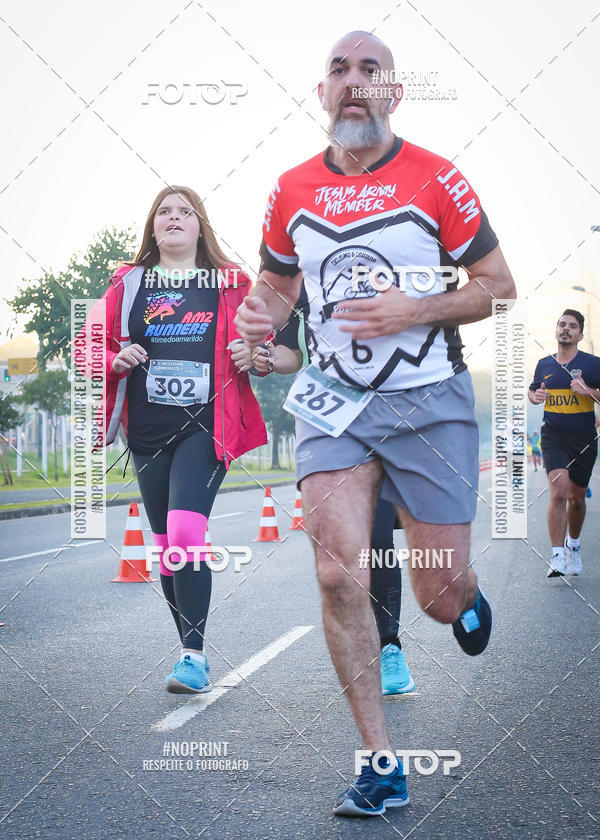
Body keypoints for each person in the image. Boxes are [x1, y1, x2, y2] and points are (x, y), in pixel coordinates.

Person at [234, 31, 515, 817]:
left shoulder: (437, 179)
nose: (353, 83)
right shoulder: (290, 189)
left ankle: (465, 596)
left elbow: (498, 285)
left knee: (434, 594)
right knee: (335, 573)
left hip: (430, 402)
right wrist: (261, 323)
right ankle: (381, 762)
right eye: (339, 71)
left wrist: (416, 307)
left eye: (370, 71)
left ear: (393, 92)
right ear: (321, 94)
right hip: (337, 406)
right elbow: (277, 295)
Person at [78, 185, 266, 693]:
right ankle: (188, 647)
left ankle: (194, 657)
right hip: (147, 430)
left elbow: (263, 343)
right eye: (165, 211)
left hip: (207, 425)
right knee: (165, 547)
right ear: (153, 226)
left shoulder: (229, 282)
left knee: (185, 535)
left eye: (185, 211)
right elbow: (87, 343)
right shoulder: (130, 284)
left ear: (200, 225)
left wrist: (259, 356)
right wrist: (112, 361)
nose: (175, 217)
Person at [231, 285, 415, 694]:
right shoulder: (301, 288)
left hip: (385, 415)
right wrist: (264, 358)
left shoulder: (379, 271)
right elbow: (290, 355)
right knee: (343, 543)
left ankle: (390, 647)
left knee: (378, 534)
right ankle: (371, 643)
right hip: (328, 422)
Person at [528, 309, 600, 577]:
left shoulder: (593, 364)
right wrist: (534, 396)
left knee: (577, 499)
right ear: (556, 330)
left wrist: (589, 391)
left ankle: (574, 545)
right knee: (558, 492)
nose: (566, 329)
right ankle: (557, 556)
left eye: (572, 326)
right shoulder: (544, 364)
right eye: (562, 324)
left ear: (580, 334)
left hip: (583, 438)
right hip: (553, 435)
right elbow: (533, 389)